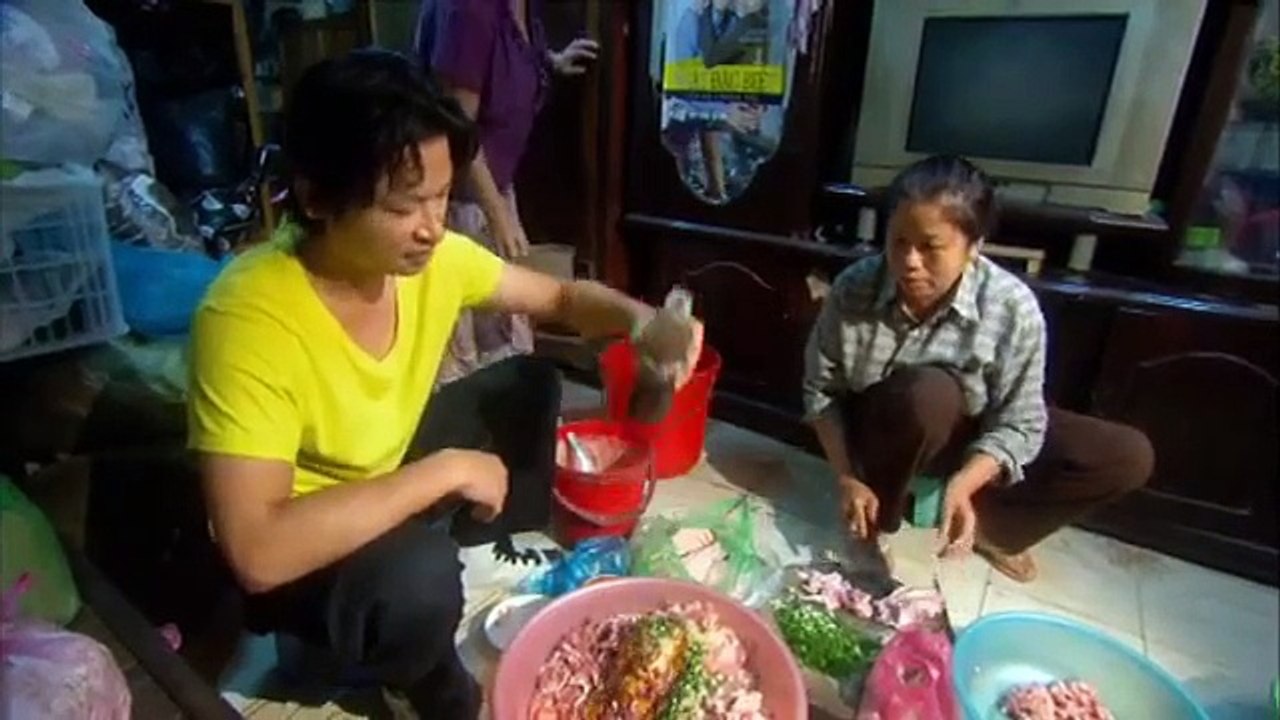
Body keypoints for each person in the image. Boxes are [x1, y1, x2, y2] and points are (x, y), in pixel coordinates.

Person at [187, 50, 701, 719]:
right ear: (316, 198)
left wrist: (641, 322)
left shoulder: (432, 260)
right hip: (301, 549)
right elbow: (256, 548)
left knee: (527, 381)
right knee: (418, 578)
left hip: (382, 470)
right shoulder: (247, 316)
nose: (433, 226)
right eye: (406, 205)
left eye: (440, 196)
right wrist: (445, 471)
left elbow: (562, 299)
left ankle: (481, 564)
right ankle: (398, 663)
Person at [803, 155, 1153, 583]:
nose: (909, 261)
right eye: (897, 241)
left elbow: (1021, 420)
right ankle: (877, 519)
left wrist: (967, 482)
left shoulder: (1011, 306)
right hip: (884, 429)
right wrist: (846, 477)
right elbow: (820, 391)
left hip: (968, 428)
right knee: (929, 393)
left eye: (930, 247)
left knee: (1126, 456)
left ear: (974, 246)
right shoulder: (855, 287)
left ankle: (991, 529)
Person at [415, 0, 599, 385]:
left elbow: (503, 61)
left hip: (492, 188)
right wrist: (497, 212)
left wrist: (550, 62)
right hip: (454, 201)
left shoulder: (522, 9)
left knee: (508, 337)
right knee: (459, 351)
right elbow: (456, 126)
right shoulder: (470, 11)